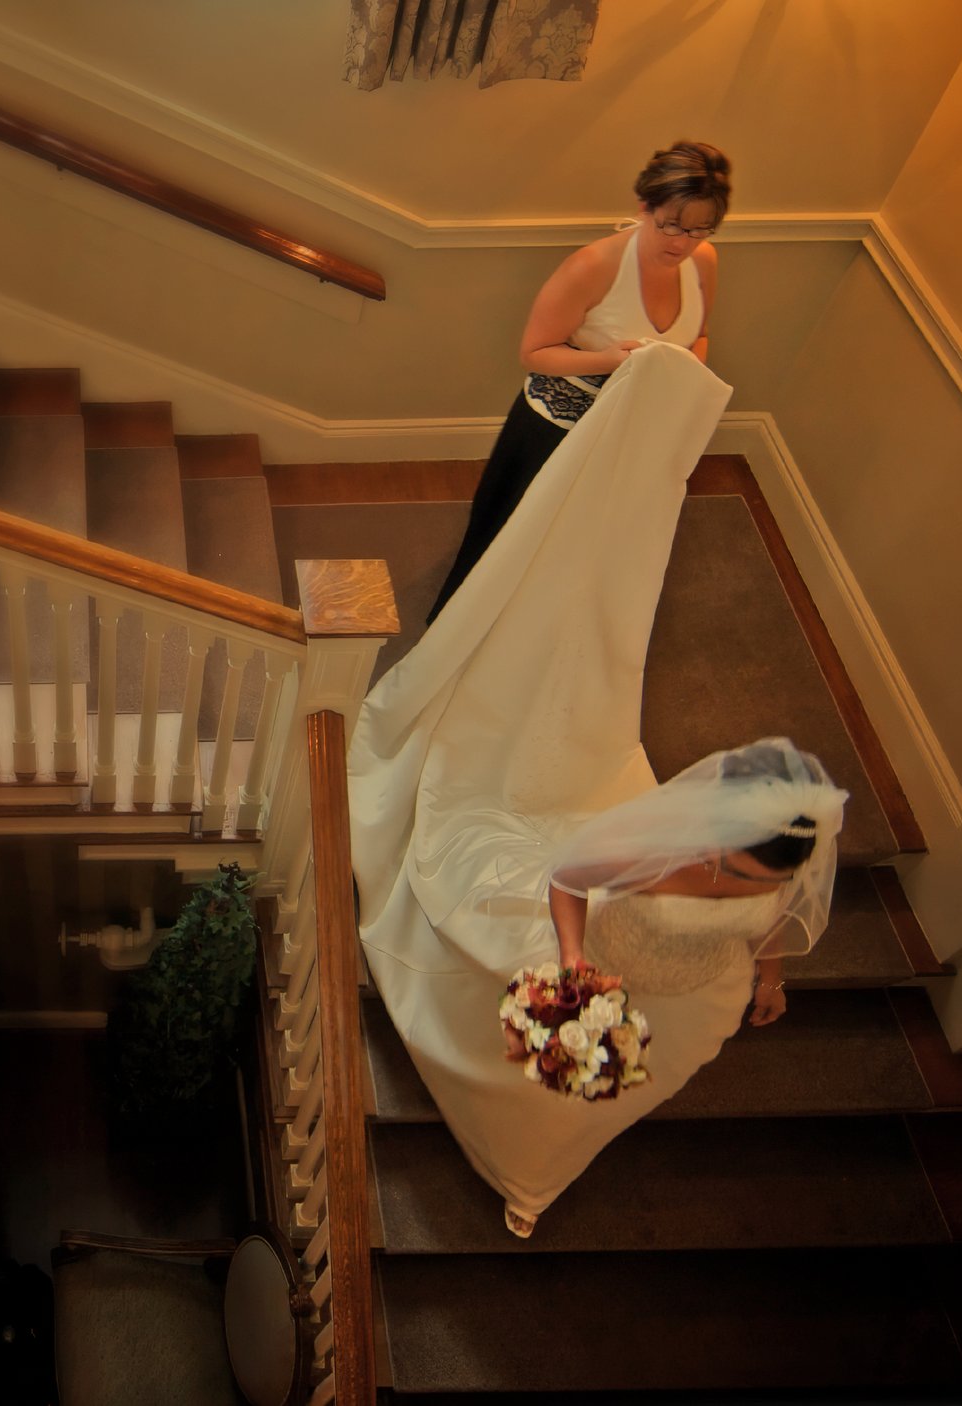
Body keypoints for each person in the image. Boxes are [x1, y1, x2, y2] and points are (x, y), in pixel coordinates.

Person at [350, 329, 848, 1241]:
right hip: (596, 957)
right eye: (727, 858)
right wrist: (574, 968)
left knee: (609, 1087)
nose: (727, 873)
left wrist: (767, 975)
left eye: (745, 869)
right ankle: (524, 1170)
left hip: (686, 993)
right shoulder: (647, 844)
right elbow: (569, 879)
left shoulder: (775, 864)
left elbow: (770, 912)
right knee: (543, 1097)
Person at [426, 140, 729, 625]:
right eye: (670, 224)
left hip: (633, 430)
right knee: (511, 540)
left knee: (585, 548)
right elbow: (534, 353)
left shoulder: (704, 262)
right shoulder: (592, 266)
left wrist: (681, 379)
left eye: (698, 230)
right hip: (555, 430)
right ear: (643, 206)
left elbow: (701, 335)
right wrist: (611, 360)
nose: (681, 243)